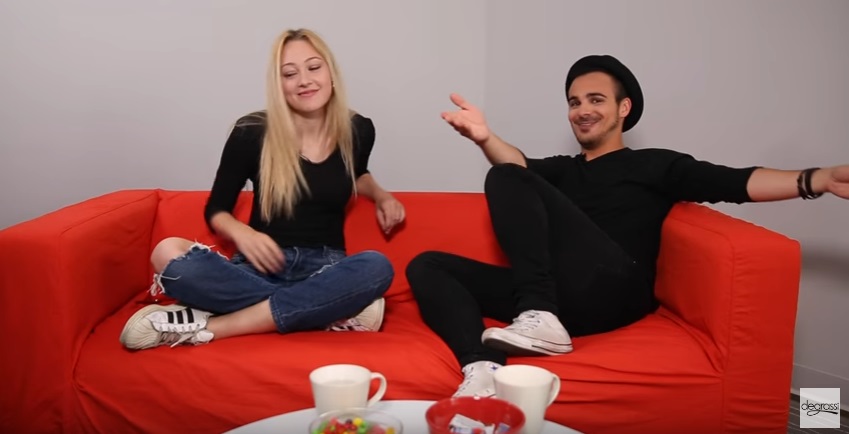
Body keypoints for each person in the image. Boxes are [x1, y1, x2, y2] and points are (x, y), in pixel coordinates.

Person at [406, 54, 849, 398]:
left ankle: (538, 312)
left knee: (507, 176)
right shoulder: (564, 170)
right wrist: (485, 137)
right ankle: (482, 369)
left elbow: (735, 182)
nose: (582, 110)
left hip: (614, 289)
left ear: (623, 108)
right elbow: (518, 165)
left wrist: (818, 179)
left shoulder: (653, 164)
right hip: (561, 298)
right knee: (428, 265)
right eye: (574, 102)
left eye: (595, 100)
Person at [120, 28, 405, 351]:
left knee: (377, 267)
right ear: (278, 85)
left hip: (325, 270)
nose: (304, 81)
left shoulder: (359, 129)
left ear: (331, 74)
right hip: (256, 271)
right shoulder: (251, 132)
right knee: (166, 251)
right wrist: (243, 234)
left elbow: (355, 172)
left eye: (314, 67)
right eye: (290, 74)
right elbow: (217, 210)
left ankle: (214, 325)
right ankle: (324, 312)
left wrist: (381, 195)